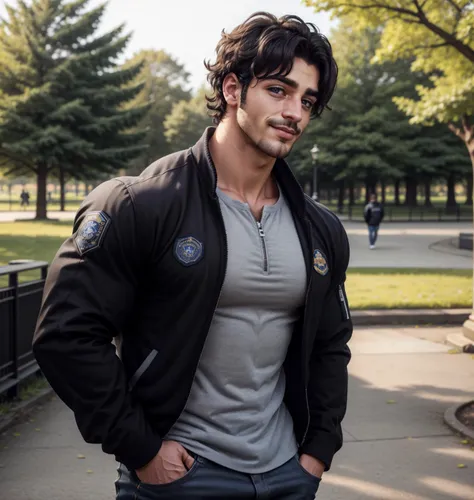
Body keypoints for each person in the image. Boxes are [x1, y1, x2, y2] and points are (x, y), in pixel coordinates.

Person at [33, 12, 352, 500]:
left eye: (307, 101)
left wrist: (317, 452)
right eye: (278, 90)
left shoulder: (320, 229)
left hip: (288, 472)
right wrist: (140, 448)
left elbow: (331, 345)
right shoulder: (142, 203)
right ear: (231, 88)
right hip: (180, 474)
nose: (295, 112)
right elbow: (66, 334)